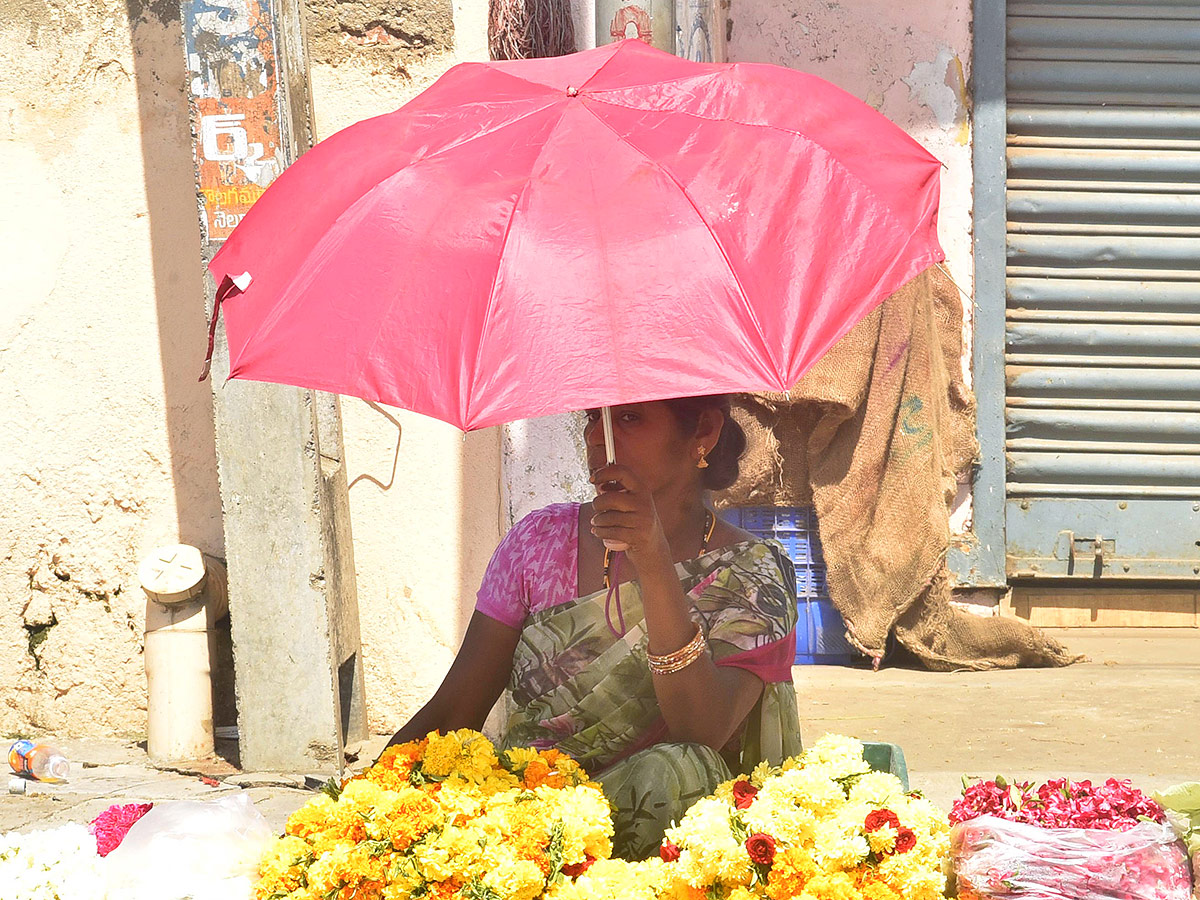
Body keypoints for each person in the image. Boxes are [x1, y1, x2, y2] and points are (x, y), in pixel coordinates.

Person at [388, 395, 802, 858]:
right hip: (530, 828)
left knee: (675, 768)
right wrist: (359, 811)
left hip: (673, 856)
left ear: (704, 432)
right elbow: (452, 713)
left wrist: (653, 558)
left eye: (629, 417)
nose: (596, 435)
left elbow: (701, 731)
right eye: (593, 418)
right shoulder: (539, 542)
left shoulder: (753, 576)